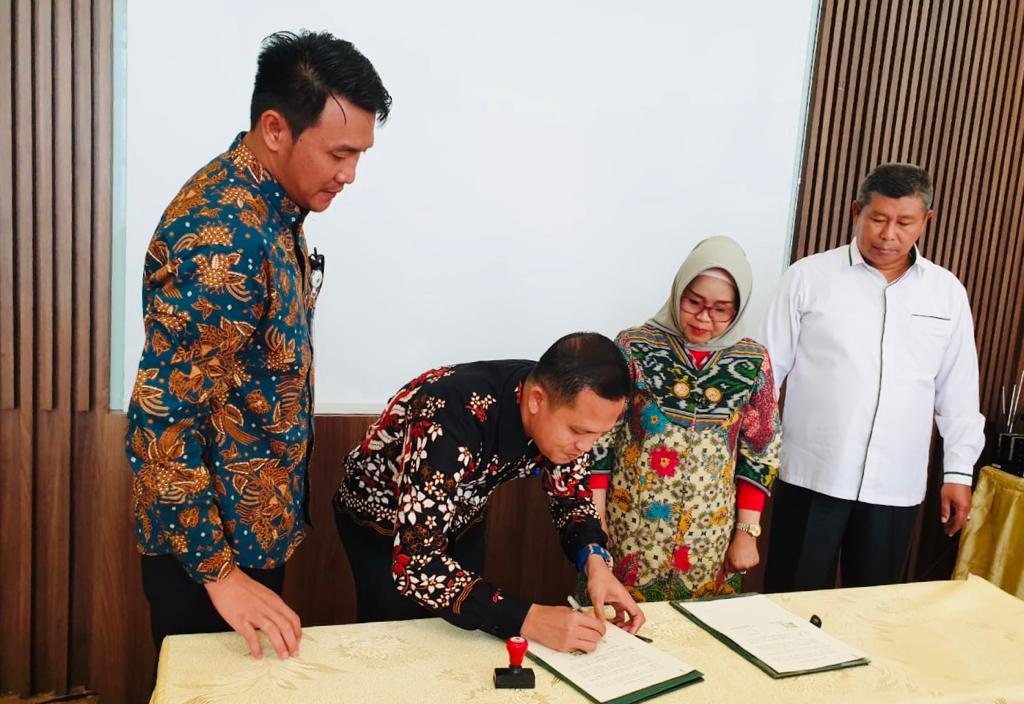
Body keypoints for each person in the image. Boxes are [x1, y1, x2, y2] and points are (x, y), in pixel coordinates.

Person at [125, 31, 391, 659]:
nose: (350, 175)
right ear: (275, 129)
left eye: (359, 156)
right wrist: (219, 574)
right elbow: (162, 420)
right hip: (210, 560)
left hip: (249, 537)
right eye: (339, 154)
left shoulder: (272, 211)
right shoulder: (225, 235)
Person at [334, 332, 646, 653]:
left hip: (463, 514)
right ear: (536, 401)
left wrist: (596, 562)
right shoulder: (447, 418)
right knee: (399, 642)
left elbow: (572, 497)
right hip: (385, 524)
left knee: (465, 633)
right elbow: (416, 565)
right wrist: (531, 619)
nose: (586, 447)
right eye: (579, 431)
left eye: (598, 435)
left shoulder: (560, 405)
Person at [760, 163, 985, 591]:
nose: (888, 235)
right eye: (878, 219)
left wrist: (958, 472)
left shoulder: (946, 293)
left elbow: (957, 392)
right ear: (856, 211)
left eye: (905, 223)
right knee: (790, 601)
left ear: (926, 221)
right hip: (813, 475)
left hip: (895, 484)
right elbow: (766, 376)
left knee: (875, 608)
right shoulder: (808, 277)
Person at [589, 236, 782, 602]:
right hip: (629, 529)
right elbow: (601, 439)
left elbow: (761, 449)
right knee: (617, 625)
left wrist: (747, 533)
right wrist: (595, 521)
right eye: (694, 302)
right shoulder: (633, 347)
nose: (704, 318)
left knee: (698, 628)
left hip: (709, 540)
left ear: (738, 308)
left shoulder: (753, 361)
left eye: (721, 309)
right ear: (678, 291)